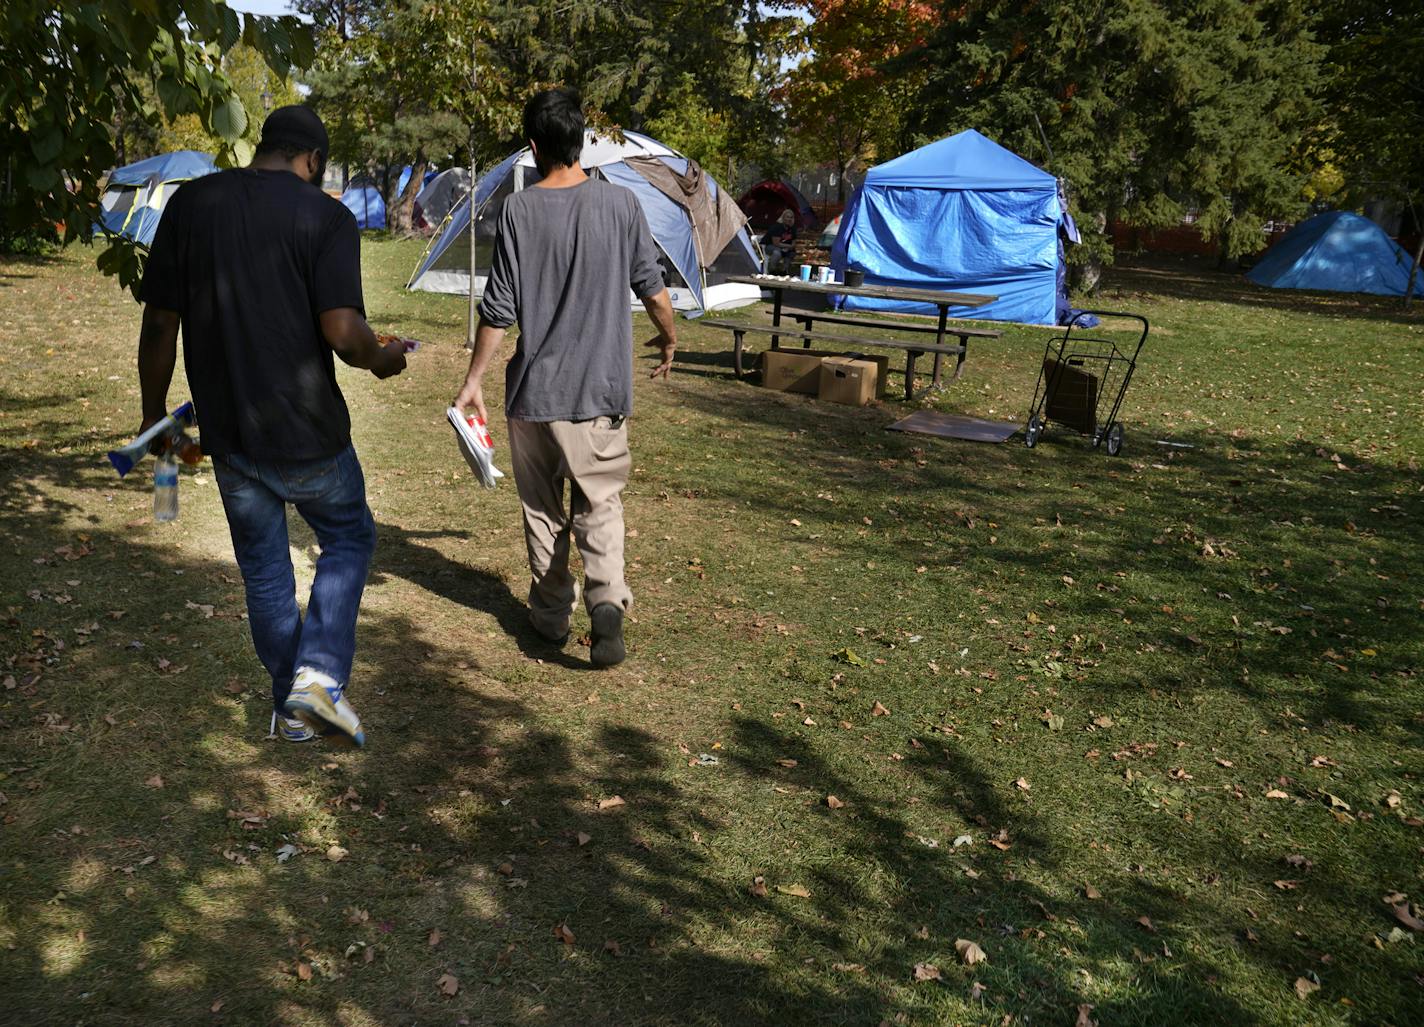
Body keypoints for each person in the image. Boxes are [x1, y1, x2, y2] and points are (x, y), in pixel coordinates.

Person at [134, 105, 407, 747]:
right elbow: (343, 332)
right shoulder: (326, 216)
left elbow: (158, 324)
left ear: (267, 147)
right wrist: (382, 358)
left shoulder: (191, 205)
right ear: (312, 160)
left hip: (231, 436)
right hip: (309, 433)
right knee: (347, 537)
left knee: (264, 570)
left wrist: (153, 413)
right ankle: (315, 683)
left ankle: (291, 703)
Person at [451, 87, 676, 668]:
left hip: (533, 395)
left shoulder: (519, 211)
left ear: (532, 147)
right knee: (599, 502)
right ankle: (606, 603)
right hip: (600, 392)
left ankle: (551, 618)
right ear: (581, 144)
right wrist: (670, 335)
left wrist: (474, 379)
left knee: (542, 509)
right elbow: (651, 287)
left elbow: (498, 309)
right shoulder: (623, 206)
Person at [761, 208, 797, 273]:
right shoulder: (777, 227)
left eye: (791, 217)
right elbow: (776, 243)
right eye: (787, 217)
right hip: (770, 246)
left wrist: (789, 247)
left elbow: (793, 243)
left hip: (785, 247)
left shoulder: (793, 229)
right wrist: (789, 246)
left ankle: (784, 270)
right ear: (783, 218)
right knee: (777, 253)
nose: (789, 219)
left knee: (791, 253)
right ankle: (771, 270)